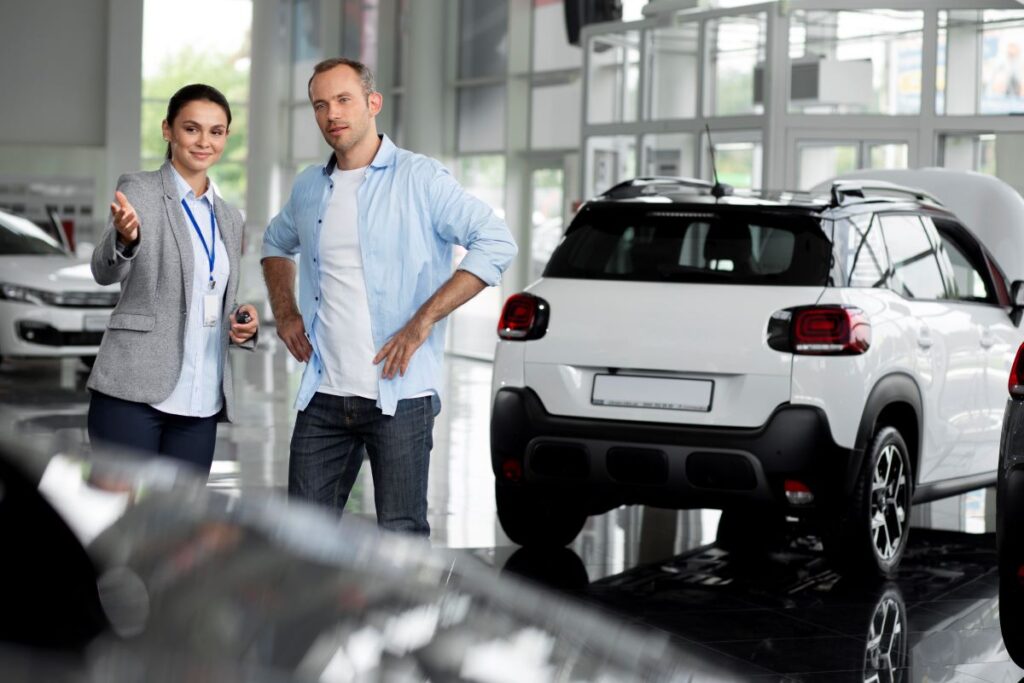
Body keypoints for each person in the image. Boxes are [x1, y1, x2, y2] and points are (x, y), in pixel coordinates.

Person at [262, 57, 517, 536]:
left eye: (343, 100)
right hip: (323, 395)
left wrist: (422, 322)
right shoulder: (309, 188)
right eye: (320, 104)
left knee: (402, 538)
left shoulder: (421, 178)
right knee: (298, 540)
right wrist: (286, 311)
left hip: (400, 397)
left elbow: (497, 242)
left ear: (372, 103)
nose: (332, 114)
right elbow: (276, 243)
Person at [88, 83, 259, 475]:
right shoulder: (140, 190)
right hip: (134, 391)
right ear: (168, 130)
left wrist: (241, 319)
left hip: (200, 400)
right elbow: (103, 270)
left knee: (179, 531)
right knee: (119, 523)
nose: (204, 142)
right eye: (191, 128)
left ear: (226, 138)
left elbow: (213, 294)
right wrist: (126, 239)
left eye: (216, 132)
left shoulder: (230, 218)